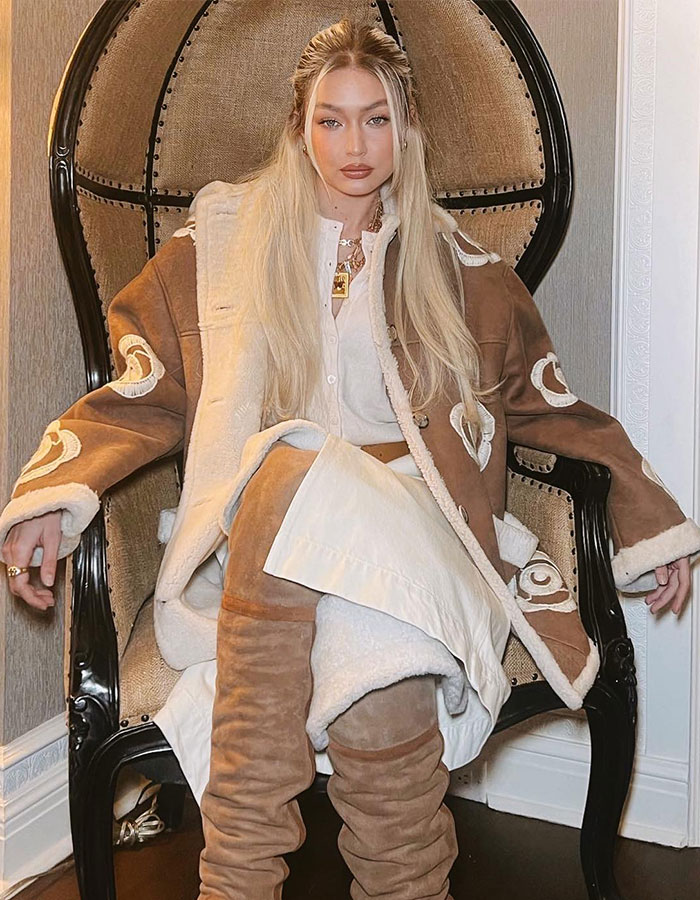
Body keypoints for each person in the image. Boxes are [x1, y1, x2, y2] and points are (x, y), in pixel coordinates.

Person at [1, 18, 698, 900]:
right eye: (331, 120)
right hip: (269, 558)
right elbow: (141, 392)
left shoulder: (463, 271)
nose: (355, 145)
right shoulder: (218, 250)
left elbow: (549, 406)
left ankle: (236, 883)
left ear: (407, 131)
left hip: (410, 527)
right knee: (379, 673)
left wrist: (647, 516)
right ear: (299, 129)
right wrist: (51, 494)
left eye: (377, 120)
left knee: (291, 473)